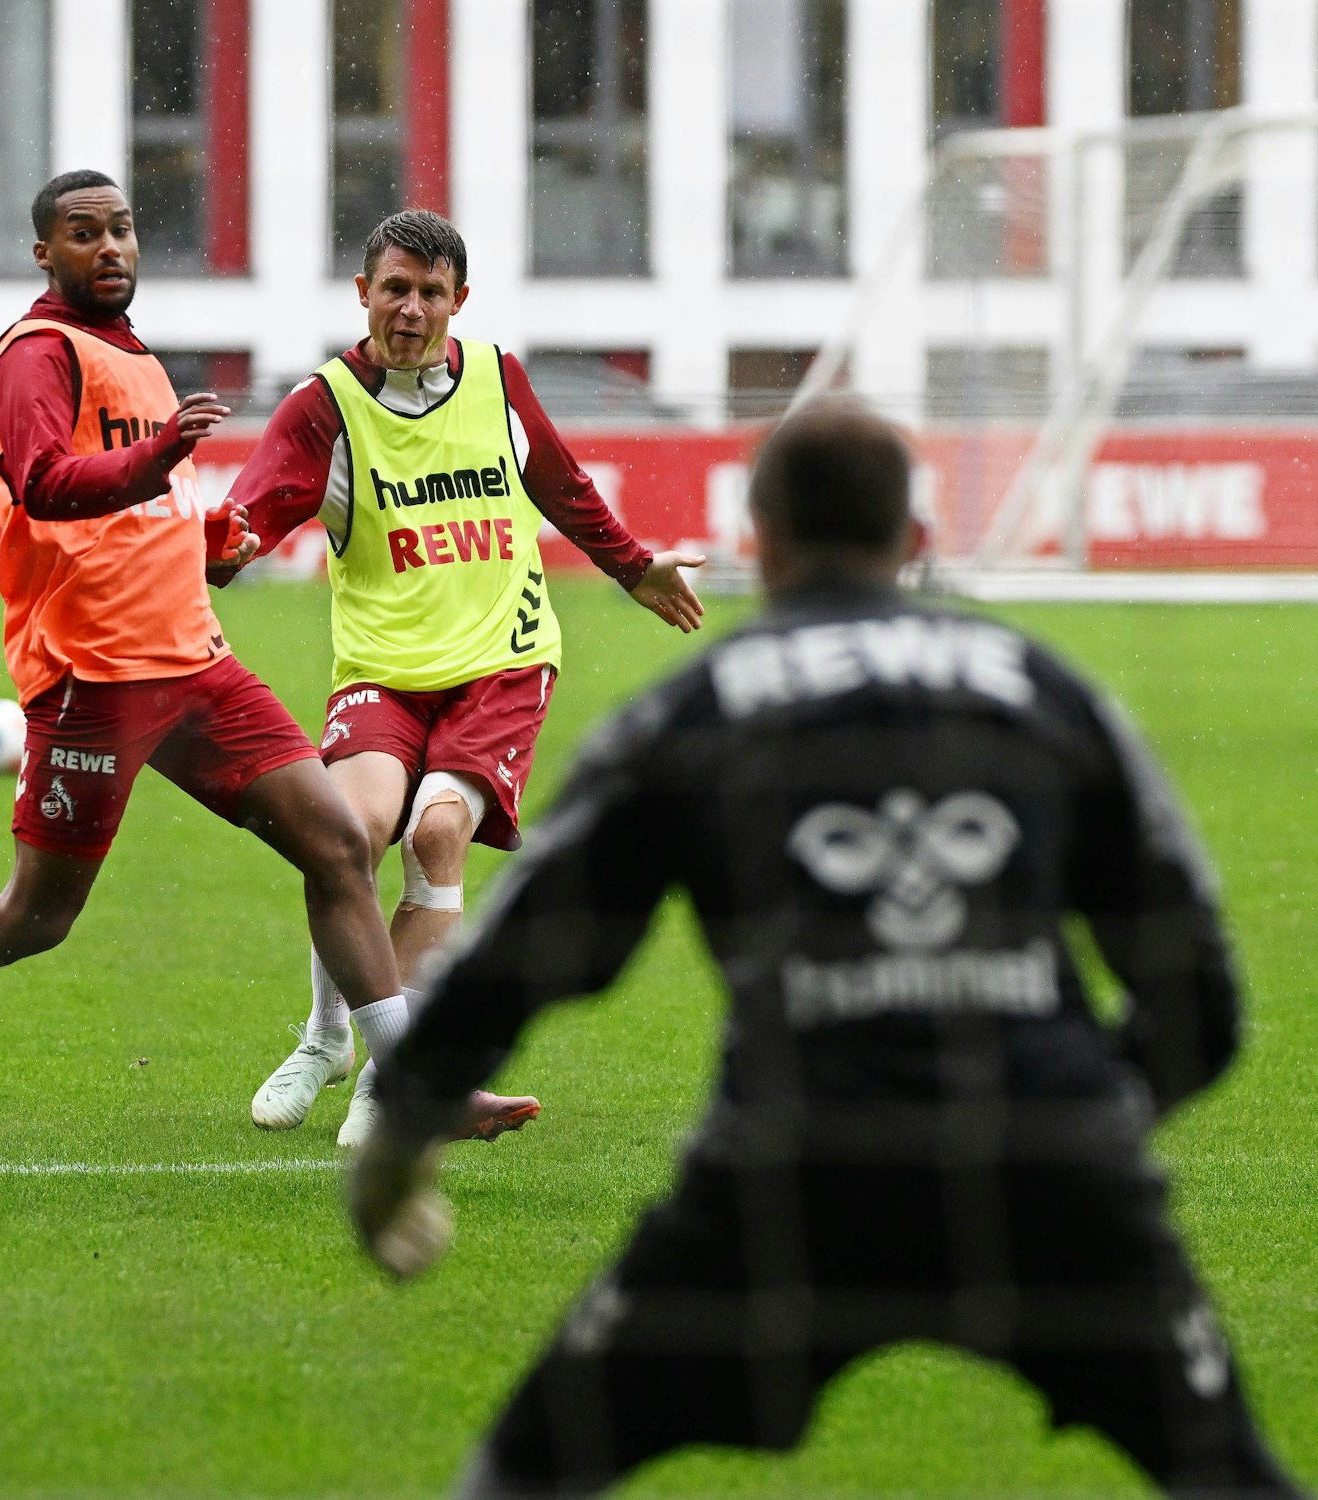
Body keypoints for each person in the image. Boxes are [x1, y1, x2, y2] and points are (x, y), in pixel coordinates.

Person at [349, 400, 1307, 1499]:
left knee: (525, 1470)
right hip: (1051, 1182)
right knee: (1229, 1475)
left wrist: (393, 1158)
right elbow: (1203, 1003)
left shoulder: (693, 711)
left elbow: (523, 959)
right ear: (912, 544)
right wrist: (1077, 1116)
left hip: (788, 1186)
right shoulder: (1048, 694)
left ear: (759, 540)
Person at [0, 171, 519, 1161]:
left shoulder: (136, 356)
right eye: (83, 234)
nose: (110, 247)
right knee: (35, 917)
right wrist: (157, 455)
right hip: (95, 676)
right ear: (46, 254)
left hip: (194, 661)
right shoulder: (38, 354)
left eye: (121, 229)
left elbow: (151, 510)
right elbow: (41, 483)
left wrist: (220, 528)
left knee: (338, 844)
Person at [226, 210, 705, 1148]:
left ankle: (384, 1082)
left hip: (503, 663)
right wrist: (218, 547)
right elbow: (251, 512)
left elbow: (560, 485)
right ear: (362, 293)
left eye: (431, 292)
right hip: (382, 673)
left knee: (437, 833)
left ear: (460, 300)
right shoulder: (323, 406)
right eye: (395, 288)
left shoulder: (496, 378)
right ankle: (326, 1039)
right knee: (351, 832)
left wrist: (630, 564)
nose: (412, 308)